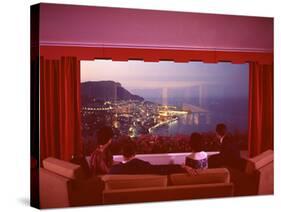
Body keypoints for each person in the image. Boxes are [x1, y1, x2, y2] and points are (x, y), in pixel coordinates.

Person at [109, 137, 197, 175]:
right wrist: (182, 167)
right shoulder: (143, 166)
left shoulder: (114, 170)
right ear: (135, 153)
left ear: (122, 153)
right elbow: (162, 170)